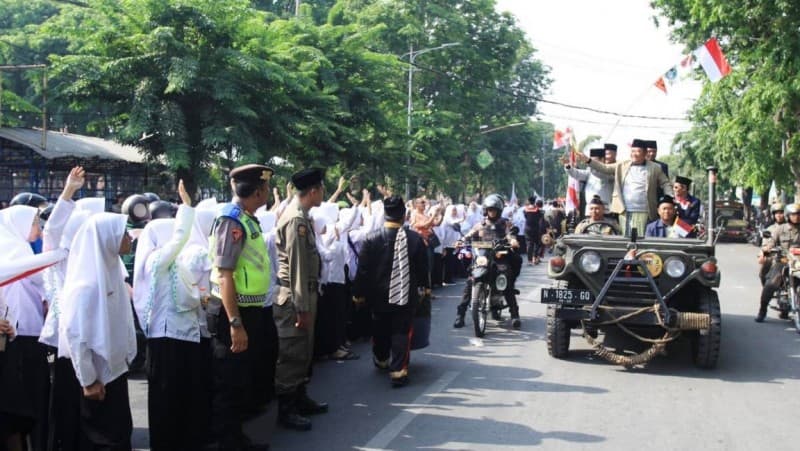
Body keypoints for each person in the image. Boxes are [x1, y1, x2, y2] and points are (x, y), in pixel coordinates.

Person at [132, 181, 211, 451]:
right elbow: (177, 243)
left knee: (186, 396)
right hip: (165, 338)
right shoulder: (155, 260)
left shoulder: (176, 262)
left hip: (186, 336)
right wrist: (187, 209)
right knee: (166, 399)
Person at [207, 164, 274, 450]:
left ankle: (235, 437)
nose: (268, 193)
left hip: (248, 310)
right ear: (257, 192)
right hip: (232, 313)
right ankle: (228, 442)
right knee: (229, 381)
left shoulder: (247, 218)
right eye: (266, 188)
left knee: (240, 377)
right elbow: (225, 275)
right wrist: (235, 323)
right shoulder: (232, 221)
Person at [58, 212, 137, 451]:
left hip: (115, 369)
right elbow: (76, 336)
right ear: (106, 238)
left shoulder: (111, 272)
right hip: (98, 376)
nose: (129, 238)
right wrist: (89, 380)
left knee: (119, 432)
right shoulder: (86, 285)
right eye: (123, 233)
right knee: (105, 438)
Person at [353, 196, 428, 387]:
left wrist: (358, 294)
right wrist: (425, 289)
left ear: (385, 214)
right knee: (401, 332)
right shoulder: (414, 239)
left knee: (380, 329)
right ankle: (398, 371)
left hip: (378, 296)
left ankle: (382, 359)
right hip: (405, 295)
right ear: (404, 215)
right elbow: (422, 269)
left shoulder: (371, 239)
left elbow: (363, 271)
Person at [274, 168, 327, 432]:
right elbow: (296, 267)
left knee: (304, 350)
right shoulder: (296, 220)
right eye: (322, 188)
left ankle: (300, 397)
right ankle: (287, 409)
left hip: (305, 292)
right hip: (296, 296)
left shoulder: (302, 216)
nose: (324, 193)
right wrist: (302, 307)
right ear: (313, 191)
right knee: (292, 352)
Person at [0, 205, 48, 451]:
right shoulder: (17, 250)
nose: (38, 229)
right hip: (20, 333)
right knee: (26, 397)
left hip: (18, 330)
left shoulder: (19, 247)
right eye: (35, 223)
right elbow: (41, 279)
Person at [453, 194, 522, 329]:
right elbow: (469, 235)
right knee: (470, 283)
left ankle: (514, 315)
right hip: (483, 258)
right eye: (490, 210)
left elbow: (510, 234)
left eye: (494, 210)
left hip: (499, 258)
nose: (492, 212)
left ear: (499, 211)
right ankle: (460, 315)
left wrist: (513, 240)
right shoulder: (480, 224)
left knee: (505, 282)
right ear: (486, 210)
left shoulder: (504, 223)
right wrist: (461, 241)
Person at [578, 138, 673, 236]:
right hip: (625, 211)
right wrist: (588, 160)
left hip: (645, 211)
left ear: (645, 153)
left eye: (638, 151)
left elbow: (665, 183)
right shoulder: (622, 165)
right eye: (632, 151)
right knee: (625, 237)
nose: (634, 154)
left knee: (642, 238)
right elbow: (605, 168)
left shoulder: (655, 167)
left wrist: (670, 196)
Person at [756, 203, 800, 322]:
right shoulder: (780, 229)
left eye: (798, 214)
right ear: (788, 216)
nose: (796, 217)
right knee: (771, 284)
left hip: (798, 262)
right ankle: (762, 310)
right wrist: (764, 252)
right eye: (793, 215)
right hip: (784, 260)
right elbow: (770, 244)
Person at [564, 148, 613, 215]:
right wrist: (568, 167)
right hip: (590, 210)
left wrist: (588, 162)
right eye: (591, 160)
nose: (591, 163)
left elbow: (598, 173)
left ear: (602, 159)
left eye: (593, 161)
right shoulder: (589, 172)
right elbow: (576, 174)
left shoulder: (609, 172)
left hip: (605, 211)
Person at [758, 203, 785, 286]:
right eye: (776, 213)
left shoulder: (793, 227)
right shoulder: (770, 229)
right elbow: (765, 245)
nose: (779, 215)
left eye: (781, 213)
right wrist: (764, 253)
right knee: (766, 261)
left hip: (792, 255)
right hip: (775, 254)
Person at [523, 197, 546, 265]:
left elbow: (525, 216)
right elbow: (540, 217)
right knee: (536, 243)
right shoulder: (537, 210)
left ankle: (529, 260)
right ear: (534, 202)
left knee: (529, 244)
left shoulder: (525, 210)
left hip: (527, 228)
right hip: (536, 228)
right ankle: (535, 258)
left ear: (529, 202)